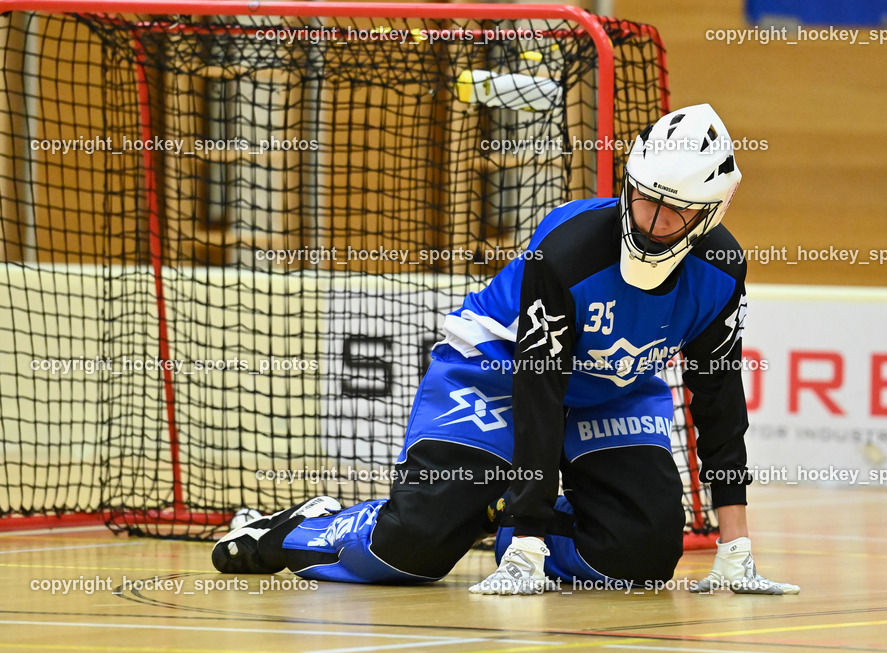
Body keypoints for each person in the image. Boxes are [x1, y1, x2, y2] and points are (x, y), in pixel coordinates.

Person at [213, 103, 799, 596]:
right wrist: (528, 537)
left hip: (611, 392)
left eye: (676, 212)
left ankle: (493, 512)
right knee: (411, 551)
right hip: (497, 371)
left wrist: (735, 544)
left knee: (640, 559)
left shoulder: (722, 269)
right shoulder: (568, 250)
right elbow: (538, 390)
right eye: (644, 198)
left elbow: (718, 395)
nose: (651, 222)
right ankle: (301, 526)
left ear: (711, 213)